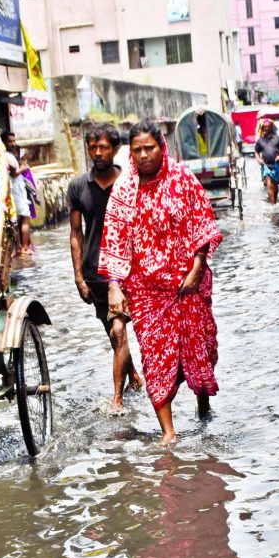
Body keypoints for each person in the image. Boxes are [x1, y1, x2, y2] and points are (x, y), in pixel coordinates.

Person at [99, 119, 222, 447]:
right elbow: (114, 239)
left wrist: (197, 265)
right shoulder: (124, 190)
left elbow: (202, 221)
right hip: (146, 292)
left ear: (161, 147)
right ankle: (168, 431)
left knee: (199, 351)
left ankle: (202, 400)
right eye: (136, 150)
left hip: (187, 285)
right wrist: (114, 286)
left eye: (149, 148)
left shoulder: (182, 178)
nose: (143, 155)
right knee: (155, 358)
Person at [67, 122, 143, 412]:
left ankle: (117, 399)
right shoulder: (77, 187)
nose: (97, 153)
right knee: (114, 334)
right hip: (94, 272)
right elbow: (76, 233)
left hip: (125, 271)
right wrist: (78, 276)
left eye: (104, 147)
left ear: (115, 149)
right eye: (92, 147)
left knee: (119, 331)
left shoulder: (128, 183)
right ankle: (134, 375)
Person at [1, 129, 33, 254]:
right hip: (16, 189)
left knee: (17, 219)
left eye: (14, 141)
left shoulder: (6, 155)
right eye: (10, 142)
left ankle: (20, 247)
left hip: (16, 189)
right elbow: (14, 173)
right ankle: (23, 248)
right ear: (4, 142)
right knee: (25, 218)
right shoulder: (6, 156)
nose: (13, 144)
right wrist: (23, 168)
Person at [254, 117, 279, 205]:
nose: (267, 128)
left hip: (276, 165)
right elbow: (256, 151)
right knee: (269, 184)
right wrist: (259, 159)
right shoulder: (260, 140)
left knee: (275, 185)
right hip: (266, 166)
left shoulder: (277, 138)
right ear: (262, 128)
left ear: (271, 127)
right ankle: (272, 204)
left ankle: (275, 201)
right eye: (265, 127)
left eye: (268, 126)